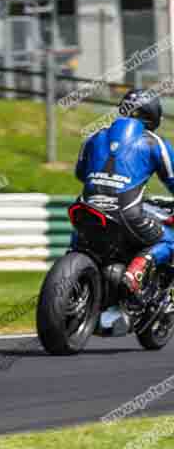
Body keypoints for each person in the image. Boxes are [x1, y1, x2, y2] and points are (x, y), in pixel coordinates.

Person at [75, 88, 174, 308]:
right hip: (127, 214)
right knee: (170, 238)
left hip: (84, 208)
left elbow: (80, 173)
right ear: (153, 115)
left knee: (79, 238)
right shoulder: (154, 142)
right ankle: (139, 266)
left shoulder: (95, 136)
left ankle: (74, 274)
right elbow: (173, 179)